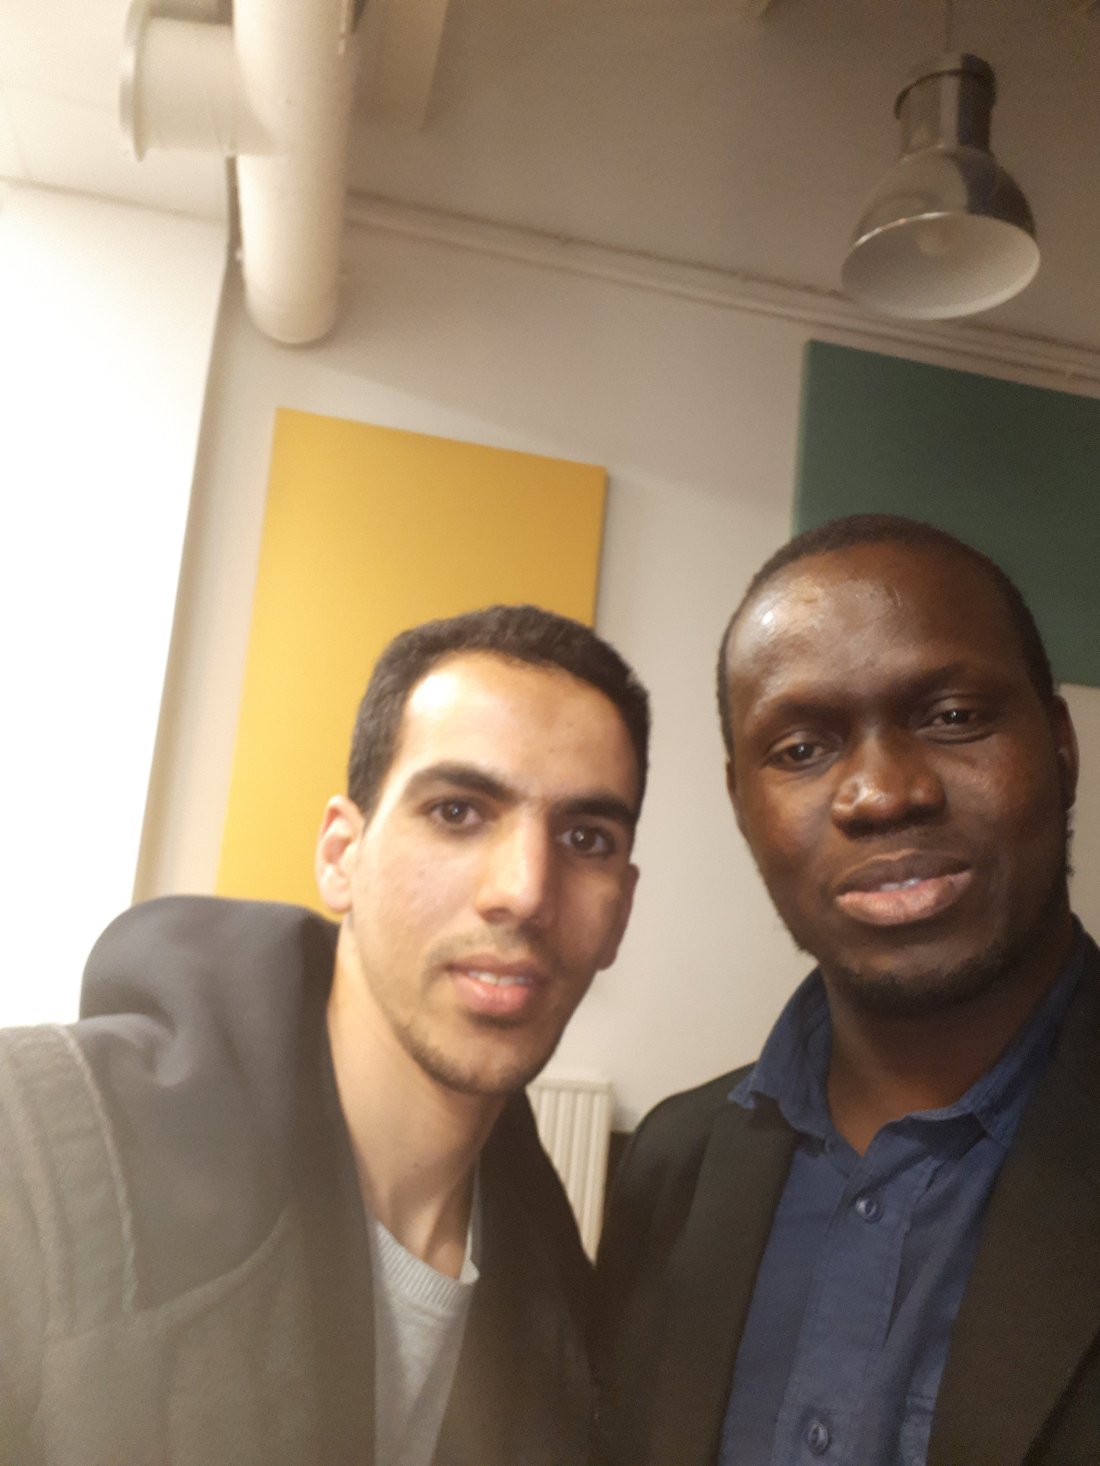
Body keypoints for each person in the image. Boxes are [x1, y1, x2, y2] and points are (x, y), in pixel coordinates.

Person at [0, 603, 648, 1466]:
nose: (526, 891)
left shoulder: (565, 1305)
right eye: (458, 812)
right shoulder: (34, 1149)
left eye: (586, 838)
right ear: (342, 856)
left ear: (620, 914)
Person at [594, 514, 1100, 1466]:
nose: (882, 793)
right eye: (800, 750)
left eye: (954, 716)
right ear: (743, 807)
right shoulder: (673, 1166)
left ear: (1060, 747)